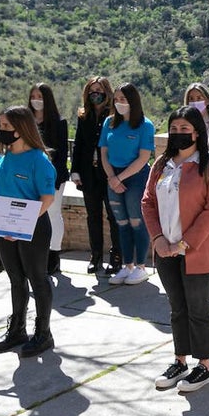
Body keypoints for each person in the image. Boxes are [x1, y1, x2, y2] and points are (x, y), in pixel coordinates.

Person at [142, 106, 209, 393]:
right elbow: (147, 203)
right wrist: (158, 239)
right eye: (174, 128)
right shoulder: (161, 165)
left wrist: (184, 243)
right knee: (177, 308)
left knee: (199, 308)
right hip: (165, 249)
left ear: (197, 133)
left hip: (198, 251)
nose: (179, 134)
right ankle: (179, 361)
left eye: (185, 129)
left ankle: (204, 365)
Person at [0, 106, 57, 357]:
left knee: (37, 278)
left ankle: (43, 333)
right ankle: (17, 329)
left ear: (23, 128)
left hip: (33, 227)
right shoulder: (1, 158)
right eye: (1, 126)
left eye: (7, 126)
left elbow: (47, 198)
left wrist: (21, 225)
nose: (2, 131)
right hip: (5, 228)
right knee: (15, 279)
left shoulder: (39, 160)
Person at [99, 82, 155, 286]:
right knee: (121, 223)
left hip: (135, 177)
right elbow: (103, 152)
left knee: (136, 221)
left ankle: (141, 266)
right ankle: (127, 265)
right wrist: (112, 177)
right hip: (113, 176)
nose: (119, 103)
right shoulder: (109, 123)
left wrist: (119, 179)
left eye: (123, 99)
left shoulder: (145, 125)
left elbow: (143, 158)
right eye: (116, 99)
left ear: (133, 100)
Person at [71, 76, 122, 274]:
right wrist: (75, 171)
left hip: (109, 172)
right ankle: (95, 256)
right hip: (88, 173)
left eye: (99, 90)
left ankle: (116, 256)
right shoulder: (84, 116)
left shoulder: (114, 115)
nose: (95, 94)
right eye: (92, 90)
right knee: (93, 216)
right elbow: (79, 144)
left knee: (113, 216)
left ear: (106, 92)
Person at [29, 83, 69, 275]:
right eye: (33, 96)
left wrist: (56, 178)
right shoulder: (25, 121)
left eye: (40, 96)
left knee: (52, 214)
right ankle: (37, 255)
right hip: (30, 178)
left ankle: (54, 255)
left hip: (53, 177)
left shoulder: (59, 122)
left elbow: (61, 154)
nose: (36, 100)